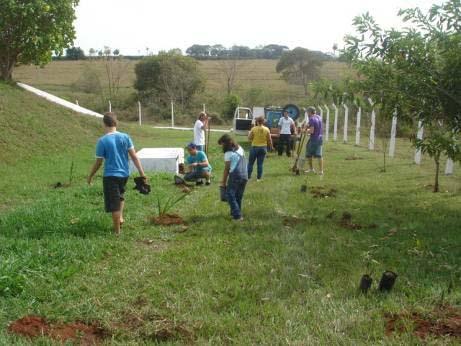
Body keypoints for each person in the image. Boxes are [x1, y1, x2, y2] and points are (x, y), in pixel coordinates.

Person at [87, 113, 146, 235]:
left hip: (110, 176)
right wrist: (141, 173)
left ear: (104, 124)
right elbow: (134, 156)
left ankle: (117, 232)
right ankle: (120, 217)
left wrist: (91, 175)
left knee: (114, 205)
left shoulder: (102, 141)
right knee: (120, 196)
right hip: (124, 174)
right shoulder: (125, 137)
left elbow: (99, 162)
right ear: (116, 123)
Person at [218, 134, 248, 221]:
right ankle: (234, 213)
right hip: (244, 174)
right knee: (238, 196)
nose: (222, 147)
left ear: (225, 143)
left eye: (222, 144)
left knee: (230, 195)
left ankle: (237, 216)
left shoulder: (228, 153)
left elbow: (227, 169)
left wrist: (223, 182)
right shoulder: (240, 148)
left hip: (236, 175)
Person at [247, 117, 273, 181]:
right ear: (263, 122)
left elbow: (249, 138)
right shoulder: (267, 129)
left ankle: (248, 177)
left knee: (250, 163)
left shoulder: (253, 129)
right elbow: (269, 139)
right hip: (263, 148)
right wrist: (271, 146)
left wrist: (249, 133)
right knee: (260, 164)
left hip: (254, 147)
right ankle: (258, 178)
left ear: (257, 122)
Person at [303, 106, 324, 174]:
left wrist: (304, 131)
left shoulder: (311, 119)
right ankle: (321, 171)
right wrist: (307, 126)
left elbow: (311, 131)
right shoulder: (319, 117)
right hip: (320, 138)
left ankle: (311, 169)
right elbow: (316, 127)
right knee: (319, 155)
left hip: (314, 139)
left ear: (309, 112)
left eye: (307, 112)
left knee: (309, 154)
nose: (307, 113)